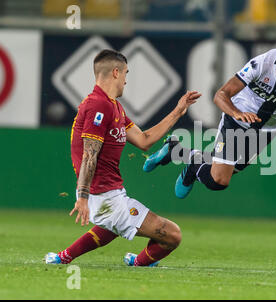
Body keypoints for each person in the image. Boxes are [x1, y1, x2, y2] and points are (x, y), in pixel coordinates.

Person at [44, 49, 201, 266]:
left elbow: (144, 140)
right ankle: (138, 263)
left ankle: (63, 258)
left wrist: (178, 110)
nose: (126, 80)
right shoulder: (98, 105)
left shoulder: (114, 107)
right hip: (102, 195)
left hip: (112, 194)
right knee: (173, 235)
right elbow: (90, 154)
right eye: (126, 73)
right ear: (116, 72)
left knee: (111, 227)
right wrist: (82, 196)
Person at [143, 36, 276, 199]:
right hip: (238, 120)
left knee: (228, 171)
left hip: (265, 132)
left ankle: (175, 151)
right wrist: (236, 113)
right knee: (219, 180)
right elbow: (220, 95)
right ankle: (191, 165)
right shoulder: (261, 65)